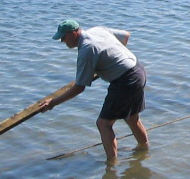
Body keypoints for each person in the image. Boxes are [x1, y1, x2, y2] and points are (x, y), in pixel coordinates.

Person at [40, 19, 149, 163]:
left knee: (103, 124)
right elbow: (126, 36)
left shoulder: (86, 49)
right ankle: (145, 151)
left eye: (63, 37)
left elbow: (80, 87)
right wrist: (112, 59)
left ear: (74, 33)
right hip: (138, 70)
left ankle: (111, 165)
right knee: (132, 118)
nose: (62, 41)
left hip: (125, 81)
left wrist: (53, 103)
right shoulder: (98, 30)